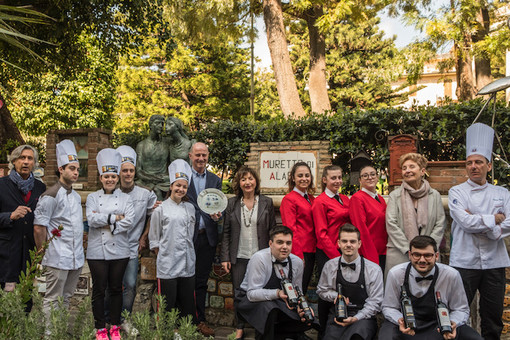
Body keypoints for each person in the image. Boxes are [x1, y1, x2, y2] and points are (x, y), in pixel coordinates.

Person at [448, 122, 510, 340]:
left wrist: (489, 228)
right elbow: (465, 222)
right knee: (458, 313)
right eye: (469, 163)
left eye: (478, 162)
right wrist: (494, 219)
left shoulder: (502, 192)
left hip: (494, 263)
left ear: (489, 166)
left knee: (492, 316)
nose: (473, 166)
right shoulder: (457, 191)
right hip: (464, 262)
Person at [380, 235, 482, 340]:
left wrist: (452, 323)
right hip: (408, 324)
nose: (422, 260)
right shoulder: (396, 273)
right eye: (417, 255)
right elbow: (389, 307)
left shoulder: (451, 275)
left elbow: (461, 309)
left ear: (436, 256)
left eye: (428, 255)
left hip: (438, 324)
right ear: (410, 255)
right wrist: (400, 320)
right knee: (386, 336)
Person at [220, 166, 277, 340]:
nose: (247, 182)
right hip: (239, 255)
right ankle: (240, 327)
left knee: (263, 290)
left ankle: (261, 326)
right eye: (243, 179)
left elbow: (273, 229)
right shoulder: (232, 203)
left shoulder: (266, 202)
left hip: (262, 255)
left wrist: (273, 253)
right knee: (239, 293)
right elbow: (226, 233)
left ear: (256, 181)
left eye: (250, 179)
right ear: (239, 183)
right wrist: (225, 257)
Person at [33, 140, 84, 331]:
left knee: (67, 297)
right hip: (56, 257)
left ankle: (59, 330)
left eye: (77, 169)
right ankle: (49, 333)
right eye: (72, 168)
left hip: (75, 258)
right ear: (61, 169)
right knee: (52, 298)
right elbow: (39, 226)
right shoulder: (51, 195)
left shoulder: (77, 197)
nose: (76, 172)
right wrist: (41, 251)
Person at [86, 148, 135, 340]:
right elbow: (91, 219)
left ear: (117, 178)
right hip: (96, 251)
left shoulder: (126, 198)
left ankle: (114, 326)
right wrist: (116, 217)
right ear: (100, 178)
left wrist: (105, 220)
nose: (110, 180)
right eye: (106, 176)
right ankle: (100, 327)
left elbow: (129, 221)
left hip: (120, 251)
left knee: (116, 289)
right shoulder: (91, 197)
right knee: (99, 289)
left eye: (113, 176)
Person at [236, 226, 315, 340]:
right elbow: (252, 294)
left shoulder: (297, 262)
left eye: (288, 243)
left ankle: (288, 335)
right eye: (280, 242)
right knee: (269, 308)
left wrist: (301, 306)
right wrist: (278, 293)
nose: (284, 247)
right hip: (249, 300)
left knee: (307, 315)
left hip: (279, 300)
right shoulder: (259, 258)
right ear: (270, 243)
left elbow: (298, 292)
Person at [113, 145, 159, 333]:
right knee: (111, 285)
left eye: (131, 170)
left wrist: (144, 237)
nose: (128, 174)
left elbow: (153, 214)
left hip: (132, 246)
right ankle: (109, 320)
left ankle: (125, 319)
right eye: (125, 170)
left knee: (131, 284)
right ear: (119, 172)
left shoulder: (146, 193)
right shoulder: (110, 191)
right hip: (112, 246)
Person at [149, 159, 197, 321]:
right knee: (166, 305)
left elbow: (190, 235)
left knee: (187, 304)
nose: (181, 189)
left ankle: (185, 332)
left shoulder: (190, 209)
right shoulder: (160, 210)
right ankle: (166, 332)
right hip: (168, 265)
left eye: (184, 186)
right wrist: (164, 255)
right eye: (178, 185)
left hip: (187, 263)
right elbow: (154, 240)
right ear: (171, 186)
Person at [317, 223, 383, 340]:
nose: (348, 245)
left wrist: (357, 318)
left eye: (352, 241)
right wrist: (335, 296)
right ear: (338, 243)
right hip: (338, 314)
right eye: (344, 241)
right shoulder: (330, 266)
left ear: (359, 243)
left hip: (363, 317)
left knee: (355, 337)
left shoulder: (373, 269)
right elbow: (321, 290)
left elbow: (376, 302)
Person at [0, 145, 46, 310]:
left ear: (34, 163)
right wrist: (9, 216)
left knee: (26, 299)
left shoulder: (40, 188)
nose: (26, 162)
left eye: (30, 158)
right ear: (14, 161)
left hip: (29, 253)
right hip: (7, 254)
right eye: (22, 158)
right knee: (7, 299)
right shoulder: (2, 185)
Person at [385, 153, 445, 276]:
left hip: (428, 256)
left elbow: (440, 223)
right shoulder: (394, 196)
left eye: (412, 167)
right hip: (400, 252)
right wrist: (410, 250)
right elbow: (391, 224)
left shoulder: (434, 195)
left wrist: (427, 249)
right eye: (404, 168)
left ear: (422, 171)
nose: (407, 171)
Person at [187, 142, 222, 337]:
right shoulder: (182, 178)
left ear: (208, 157)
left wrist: (218, 216)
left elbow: (218, 205)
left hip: (206, 238)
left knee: (201, 281)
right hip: (186, 238)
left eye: (204, 155)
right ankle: (183, 320)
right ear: (190, 156)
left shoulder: (215, 180)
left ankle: (200, 320)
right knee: (184, 280)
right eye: (197, 155)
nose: (201, 158)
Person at [312, 165, 350, 336]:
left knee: (343, 289)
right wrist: (337, 258)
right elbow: (321, 234)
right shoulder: (320, 202)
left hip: (345, 252)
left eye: (339, 177)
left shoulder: (344, 198)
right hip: (328, 253)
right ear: (324, 180)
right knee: (327, 292)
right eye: (333, 178)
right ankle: (323, 331)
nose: (337, 181)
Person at [280, 161, 316, 293]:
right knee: (296, 290)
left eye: (307, 175)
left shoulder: (311, 198)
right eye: (300, 175)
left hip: (312, 250)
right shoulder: (289, 199)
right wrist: (298, 255)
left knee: (304, 288)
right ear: (293, 178)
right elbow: (290, 228)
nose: (304, 179)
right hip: (300, 251)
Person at [349, 165, 387, 270]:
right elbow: (360, 229)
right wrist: (371, 256)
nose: (369, 177)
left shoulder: (380, 198)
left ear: (377, 177)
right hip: (369, 252)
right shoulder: (357, 198)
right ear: (360, 180)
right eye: (365, 176)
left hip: (384, 250)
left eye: (372, 174)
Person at [135, 115, 169, 200]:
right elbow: (138, 171)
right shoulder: (141, 145)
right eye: (157, 123)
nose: (161, 126)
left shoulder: (167, 143)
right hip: (145, 180)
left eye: (162, 124)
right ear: (150, 125)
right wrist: (153, 179)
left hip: (164, 180)